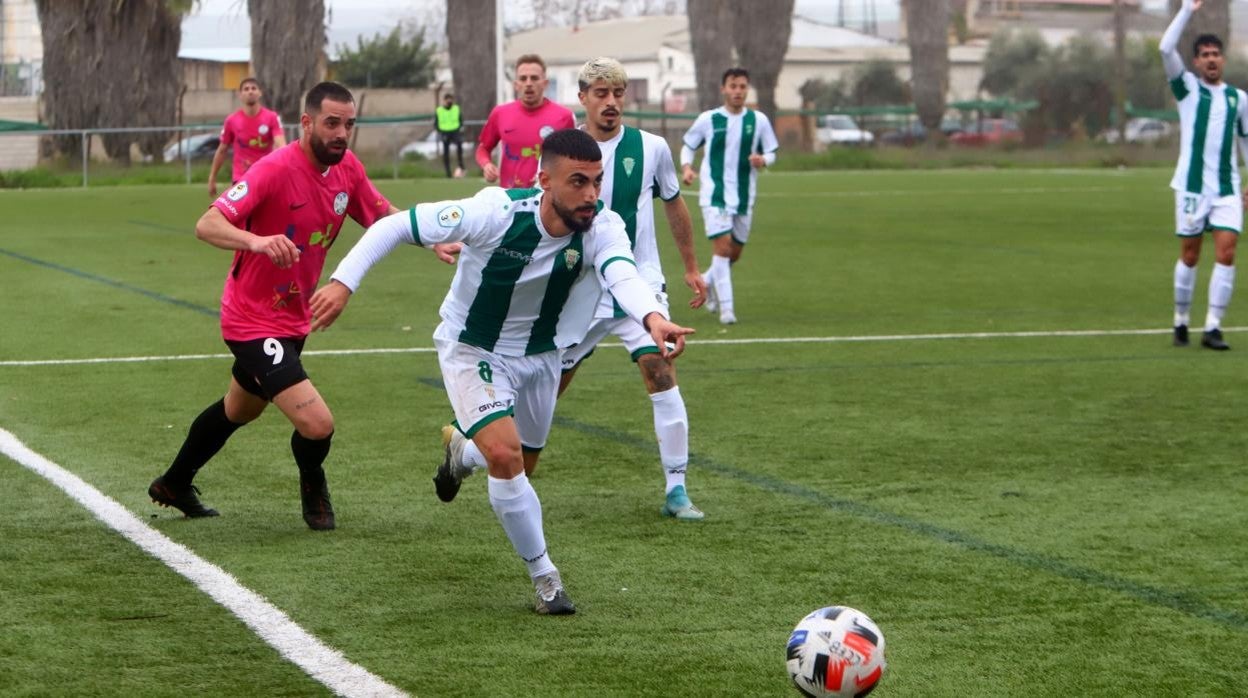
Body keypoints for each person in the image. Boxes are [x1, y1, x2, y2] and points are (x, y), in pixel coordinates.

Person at [308, 128, 696, 614]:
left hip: (543, 356)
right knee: (508, 457)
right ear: (544, 180)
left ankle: (460, 452)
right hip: (474, 349)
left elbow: (620, 272)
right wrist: (344, 283)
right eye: (578, 182)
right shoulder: (494, 212)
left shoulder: (603, 225)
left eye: (596, 181)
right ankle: (547, 580)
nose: (591, 195)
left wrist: (653, 317)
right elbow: (393, 226)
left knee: (519, 465)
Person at [148, 82, 401, 531]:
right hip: (250, 319)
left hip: (293, 318)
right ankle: (313, 486)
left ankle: (174, 483)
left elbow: (383, 217)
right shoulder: (274, 169)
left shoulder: (348, 170)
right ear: (306, 123)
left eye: (349, 124)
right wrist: (257, 241)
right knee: (317, 423)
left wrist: (435, 236)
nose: (342, 133)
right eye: (332, 123)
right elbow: (207, 224)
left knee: (238, 410)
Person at [557, 57, 708, 520]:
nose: (611, 102)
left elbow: (673, 204)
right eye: (601, 93)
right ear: (583, 97)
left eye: (618, 93)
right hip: (579, 286)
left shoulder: (652, 148)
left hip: (639, 286)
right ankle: (470, 443)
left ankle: (677, 490)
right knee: (547, 385)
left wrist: (690, 267)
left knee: (659, 369)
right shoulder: (561, 151)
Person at [1162, 0, 1248, 350]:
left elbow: (1245, 139)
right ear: (1196, 61)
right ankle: (1181, 318)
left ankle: (1213, 327)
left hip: (1227, 189)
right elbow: (1165, 48)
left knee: (1227, 253)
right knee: (1191, 255)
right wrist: (1186, 11)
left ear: (1222, 59)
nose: (1211, 59)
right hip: (1192, 187)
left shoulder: (1238, 99)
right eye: (1205, 54)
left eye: (1216, 53)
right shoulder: (1186, 89)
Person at [681, 67, 779, 325]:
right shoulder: (709, 119)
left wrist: (763, 159)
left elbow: (772, 151)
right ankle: (726, 310)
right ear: (723, 89)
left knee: (733, 254)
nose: (738, 91)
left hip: (745, 195)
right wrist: (687, 168)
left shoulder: (758, 121)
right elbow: (689, 145)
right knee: (722, 248)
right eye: (733, 86)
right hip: (715, 194)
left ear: (747, 89)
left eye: (742, 87)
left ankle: (708, 282)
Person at [475, 54, 576, 189]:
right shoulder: (500, 113)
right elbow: (483, 149)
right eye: (523, 78)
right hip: (510, 197)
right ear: (516, 85)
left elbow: (574, 157)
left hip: (548, 196)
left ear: (545, 83)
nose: (528, 83)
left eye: (534, 78)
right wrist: (486, 165)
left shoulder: (564, 116)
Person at [208, 77, 286, 199]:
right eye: (246, 89)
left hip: (265, 175)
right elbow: (222, 150)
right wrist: (212, 177)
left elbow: (281, 146)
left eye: (253, 88)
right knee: (242, 216)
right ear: (240, 95)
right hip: (241, 178)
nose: (250, 91)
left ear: (260, 93)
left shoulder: (271, 117)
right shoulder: (231, 120)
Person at [436, 90, 466, 179]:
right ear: (444, 101)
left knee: (459, 146)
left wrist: (459, 128)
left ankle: (461, 166)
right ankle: (448, 172)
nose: (449, 102)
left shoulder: (456, 108)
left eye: (451, 100)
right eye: (447, 100)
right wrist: (440, 131)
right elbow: (436, 123)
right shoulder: (439, 110)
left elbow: (460, 120)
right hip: (445, 132)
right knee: (446, 153)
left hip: (455, 131)